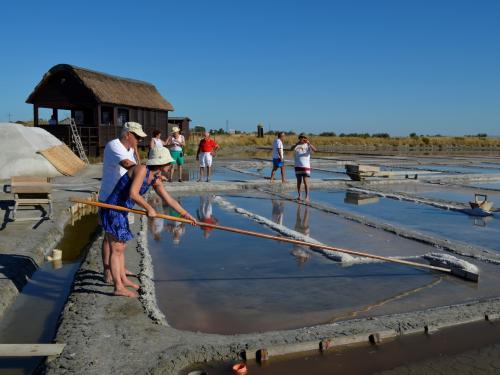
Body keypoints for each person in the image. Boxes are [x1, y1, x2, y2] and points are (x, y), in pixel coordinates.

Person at [99, 147, 196, 297]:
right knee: (116, 249)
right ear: (161, 163)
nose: (171, 165)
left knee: (121, 247)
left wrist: (186, 214)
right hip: (113, 209)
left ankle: (123, 279)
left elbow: (168, 199)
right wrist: (149, 208)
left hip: (122, 211)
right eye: (169, 163)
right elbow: (133, 193)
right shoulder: (142, 170)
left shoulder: (155, 178)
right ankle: (118, 286)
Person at [99, 121, 147, 284]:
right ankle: (108, 271)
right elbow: (128, 165)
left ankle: (119, 269)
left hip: (123, 198)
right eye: (137, 137)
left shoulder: (131, 148)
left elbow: (136, 163)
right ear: (127, 135)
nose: (139, 140)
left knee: (121, 239)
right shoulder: (114, 146)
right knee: (110, 238)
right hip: (110, 198)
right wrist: (144, 174)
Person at [291, 133, 317, 202]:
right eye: (301, 137)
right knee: (298, 182)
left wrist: (309, 144)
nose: (302, 139)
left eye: (304, 138)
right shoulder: (297, 145)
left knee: (305, 182)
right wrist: (297, 144)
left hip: (305, 166)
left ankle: (307, 196)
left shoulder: (308, 145)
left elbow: (315, 150)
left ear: (306, 138)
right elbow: (291, 149)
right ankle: (299, 195)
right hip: (297, 166)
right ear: (299, 138)